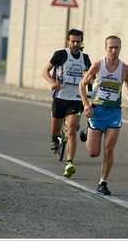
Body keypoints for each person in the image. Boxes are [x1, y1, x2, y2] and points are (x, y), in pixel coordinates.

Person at [79, 35, 128, 195]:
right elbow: (82, 84)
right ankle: (88, 130)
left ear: (120, 48)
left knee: (109, 149)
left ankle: (103, 182)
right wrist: (85, 104)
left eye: (116, 47)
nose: (113, 50)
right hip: (97, 112)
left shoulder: (125, 68)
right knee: (93, 153)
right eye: (110, 47)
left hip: (114, 113)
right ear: (105, 48)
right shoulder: (98, 65)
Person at [42, 28, 91, 177]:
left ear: (82, 42)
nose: (76, 44)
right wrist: (52, 82)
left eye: (78, 41)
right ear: (68, 41)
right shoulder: (60, 54)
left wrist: (88, 84)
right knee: (55, 130)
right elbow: (45, 71)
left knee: (71, 130)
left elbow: (89, 76)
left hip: (76, 98)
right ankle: (54, 139)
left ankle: (69, 162)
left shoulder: (85, 58)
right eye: (73, 41)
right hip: (60, 97)